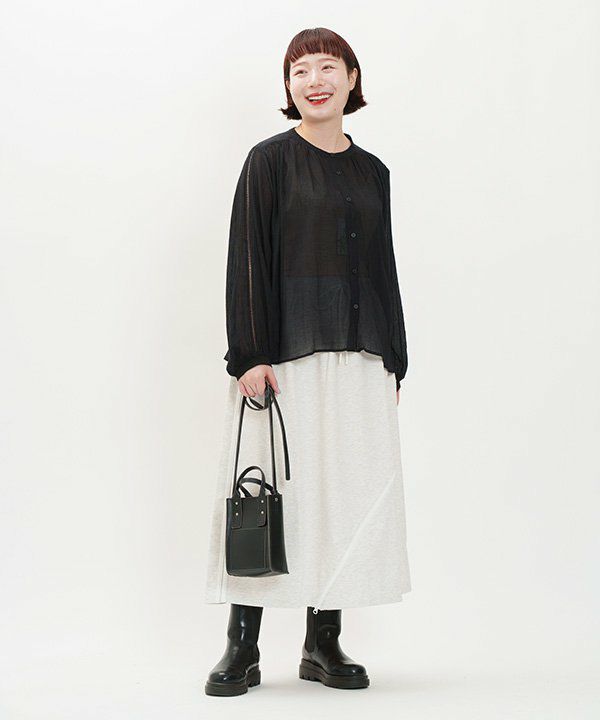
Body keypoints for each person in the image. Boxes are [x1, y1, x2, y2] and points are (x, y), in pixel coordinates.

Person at [204, 27, 411, 696]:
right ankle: (242, 646)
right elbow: (247, 257)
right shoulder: (269, 161)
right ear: (289, 86)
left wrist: (396, 357)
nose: (314, 81)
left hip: (360, 356)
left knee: (342, 494)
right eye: (300, 71)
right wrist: (249, 354)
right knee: (271, 494)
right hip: (285, 357)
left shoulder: (373, 171)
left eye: (327, 67)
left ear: (352, 78)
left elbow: (382, 268)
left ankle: (323, 643)